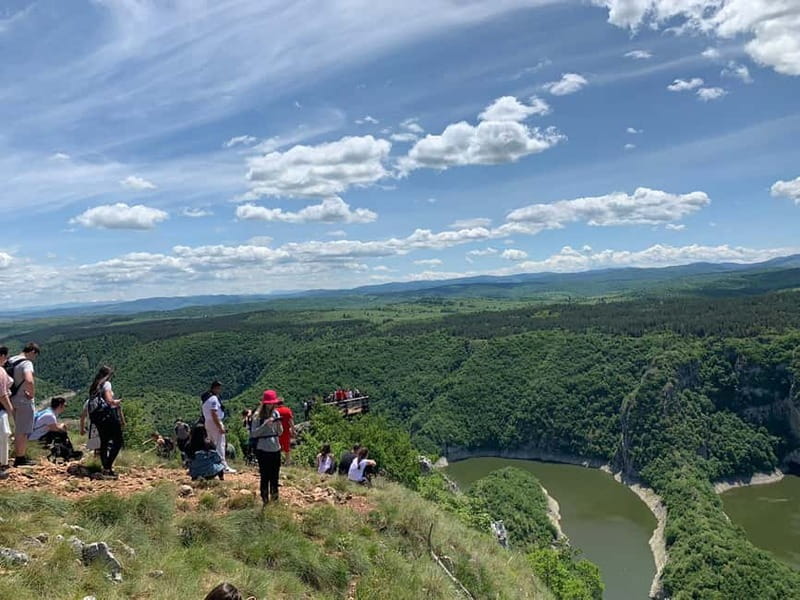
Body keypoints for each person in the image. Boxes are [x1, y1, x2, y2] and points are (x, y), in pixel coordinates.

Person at [7, 342, 41, 467]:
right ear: (32, 351)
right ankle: (20, 458)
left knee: (17, 429)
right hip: (23, 401)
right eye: (35, 355)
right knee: (23, 430)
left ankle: (17, 455)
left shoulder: (11, 360)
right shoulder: (27, 363)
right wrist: (31, 394)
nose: (34, 358)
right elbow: (29, 380)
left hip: (11, 399)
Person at [88, 365, 123, 479]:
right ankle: (108, 466)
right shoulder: (106, 384)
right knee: (118, 441)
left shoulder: (94, 386)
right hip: (108, 416)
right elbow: (109, 401)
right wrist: (117, 402)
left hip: (98, 418)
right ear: (108, 375)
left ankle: (105, 469)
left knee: (104, 442)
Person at [250, 392, 283, 504]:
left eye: (272, 404)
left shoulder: (276, 413)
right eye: (269, 404)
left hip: (276, 448)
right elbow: (254, 434)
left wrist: (278, 424)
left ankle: (275, 500)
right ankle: (265, 500)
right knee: (265, 476)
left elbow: (280, 432)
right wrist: (265, 425)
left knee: (275, 476)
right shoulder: (257, 416)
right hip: (263, 449)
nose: (271, 406)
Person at [201, 381, 236, 474]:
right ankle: (223, 466)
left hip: (207, 422)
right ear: (215, 388)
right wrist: (220, 426)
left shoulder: (206, 399)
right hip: (214, 422)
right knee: (220, 444)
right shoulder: (214, 399)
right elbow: (214, 413)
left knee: (211, 445)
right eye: (219, 388)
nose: (220, 390)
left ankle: (212, 465)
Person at [265, 390, 294, 464]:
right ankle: (288, 463)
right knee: (287, 449)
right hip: (286, 432)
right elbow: (291, 421)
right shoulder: (287, 410)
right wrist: (293, 430)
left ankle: (278, 462)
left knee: (278, 448)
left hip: (277, 432)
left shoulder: (275, 411)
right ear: (283, 403)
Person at [0, 347, 14, 476]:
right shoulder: (1, 371)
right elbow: (3, 395)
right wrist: (11, 410)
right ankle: (1, 466)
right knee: (3, 437)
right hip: (0, 410)